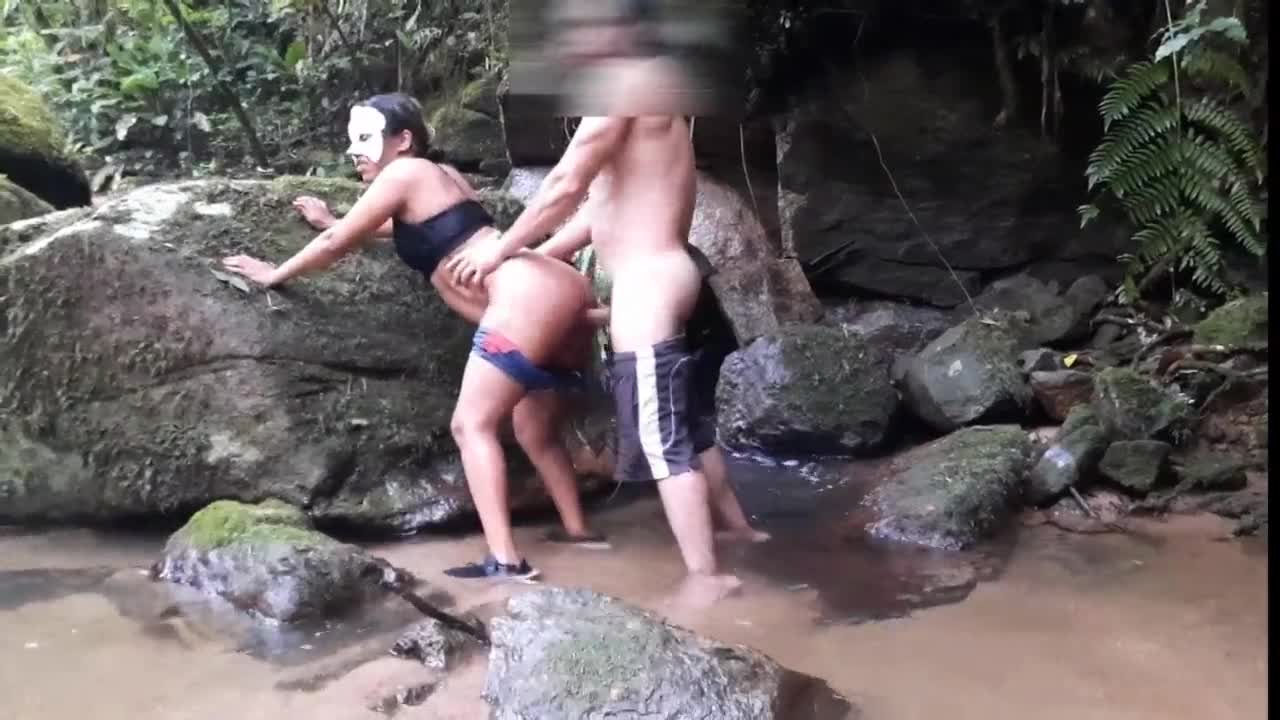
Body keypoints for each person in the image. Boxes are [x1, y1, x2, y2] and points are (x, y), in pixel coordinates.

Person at [221, 92, 608, 583]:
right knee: (533, 428)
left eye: (365, 138)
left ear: (403, 140)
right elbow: (411, 226)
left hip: (524, 298)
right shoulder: (441, 175)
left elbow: (337, 244)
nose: (354, 152)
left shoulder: (402, 174)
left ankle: (507, 561)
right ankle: (580, 532)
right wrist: (335, 220)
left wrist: (275, 273)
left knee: (471, 426)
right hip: (559, 291)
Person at [445, 5, 752, 606]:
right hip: (666, 279)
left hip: (647, 288)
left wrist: (498, 252)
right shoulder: (652, 87)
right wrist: (537, 257)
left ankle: (708, 577)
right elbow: (600, 209)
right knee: (690, 429)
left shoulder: (624, 85)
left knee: (663, 442)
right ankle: (742, 534)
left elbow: (564, 184)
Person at [536, 202, 770, 545]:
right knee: (698, 442)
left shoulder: (611, 224)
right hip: (675, 347)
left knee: (669, 456)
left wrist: (517, 263)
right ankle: (738, 528)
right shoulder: (659, 232)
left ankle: (703, 564)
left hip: (648, 349)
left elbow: (620, 302)